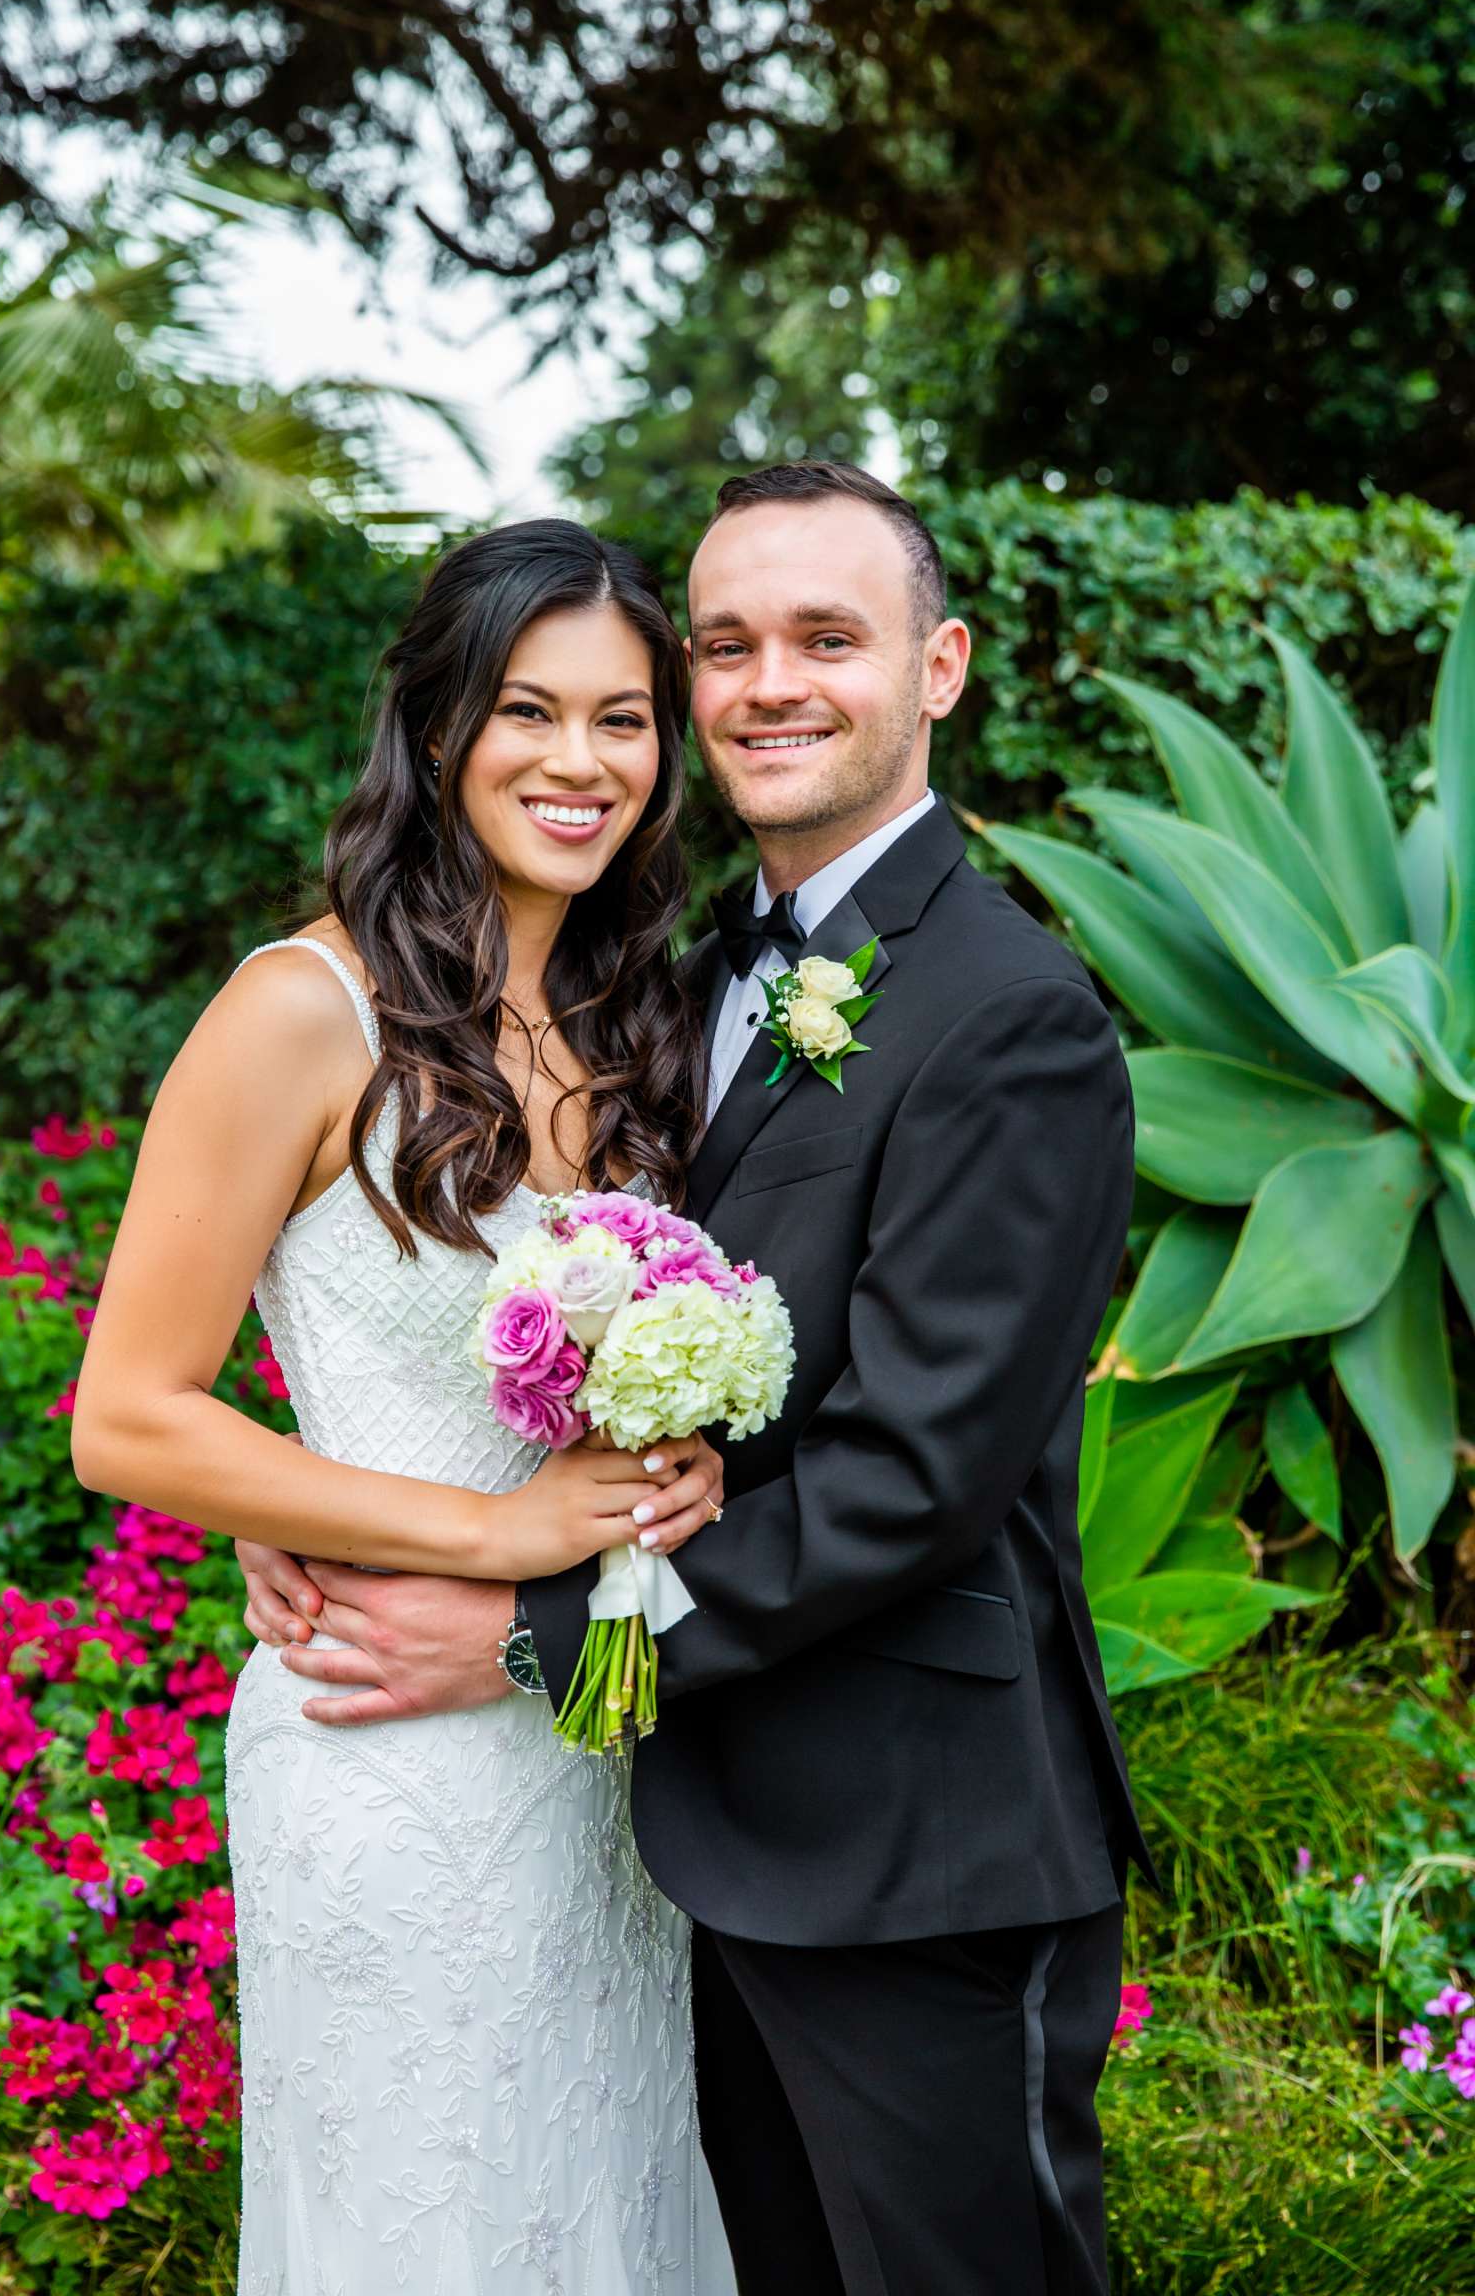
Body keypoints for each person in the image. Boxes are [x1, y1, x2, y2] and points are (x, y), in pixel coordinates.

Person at [240, 461, 1156, 2296]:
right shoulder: (660, 983)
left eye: (830, 637)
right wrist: (332, 1495)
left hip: (919, 1843)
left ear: (942, 667)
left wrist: (522, 1627)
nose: (769, 684)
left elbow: (913, 1471)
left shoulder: (1009, 1010)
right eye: (724, 645)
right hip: (684, 1837)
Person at [70, 520, 738, 2295]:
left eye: (626, 719)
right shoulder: (301, 1011)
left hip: (600, 1751)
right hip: (385, 1747)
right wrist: (488, 1533)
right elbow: (130, 1415)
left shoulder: (640, 1016)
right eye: (530, 710)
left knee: (607, 2198)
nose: (581, 763)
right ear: (439, 727)